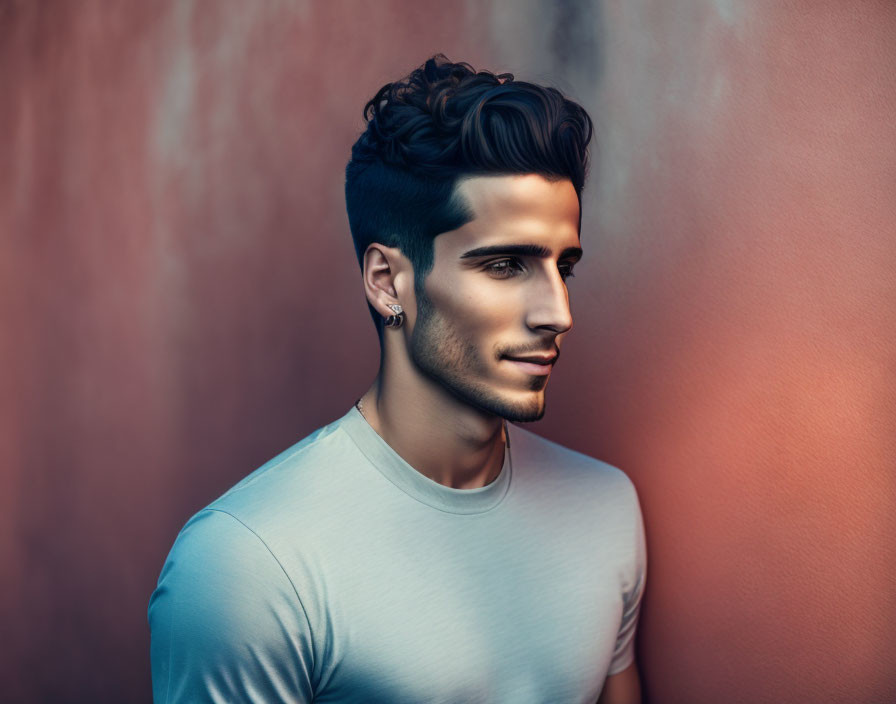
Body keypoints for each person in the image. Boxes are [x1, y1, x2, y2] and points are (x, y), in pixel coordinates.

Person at [148, 54, 646, 704]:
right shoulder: (248, 564)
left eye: (564, 267)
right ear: (388, 281)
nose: (558, 313)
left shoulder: (606, 508)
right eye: (504, 265)